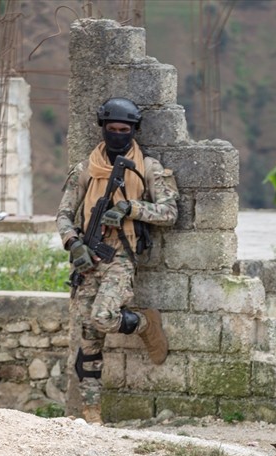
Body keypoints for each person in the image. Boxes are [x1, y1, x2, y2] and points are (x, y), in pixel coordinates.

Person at [56, 97, 178, 424]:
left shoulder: (148, 167)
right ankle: (91, 411)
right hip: (88, 258)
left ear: (133, 130)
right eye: (112, 129)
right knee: (88, 337)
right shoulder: (85, 169)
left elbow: (170, 212)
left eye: (124, 129)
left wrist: (131, 208)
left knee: (103, 316)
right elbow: (64, 214)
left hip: (121, 256)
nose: (118, 135)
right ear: (103, 129)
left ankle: (143, 323)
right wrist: (74, 244)